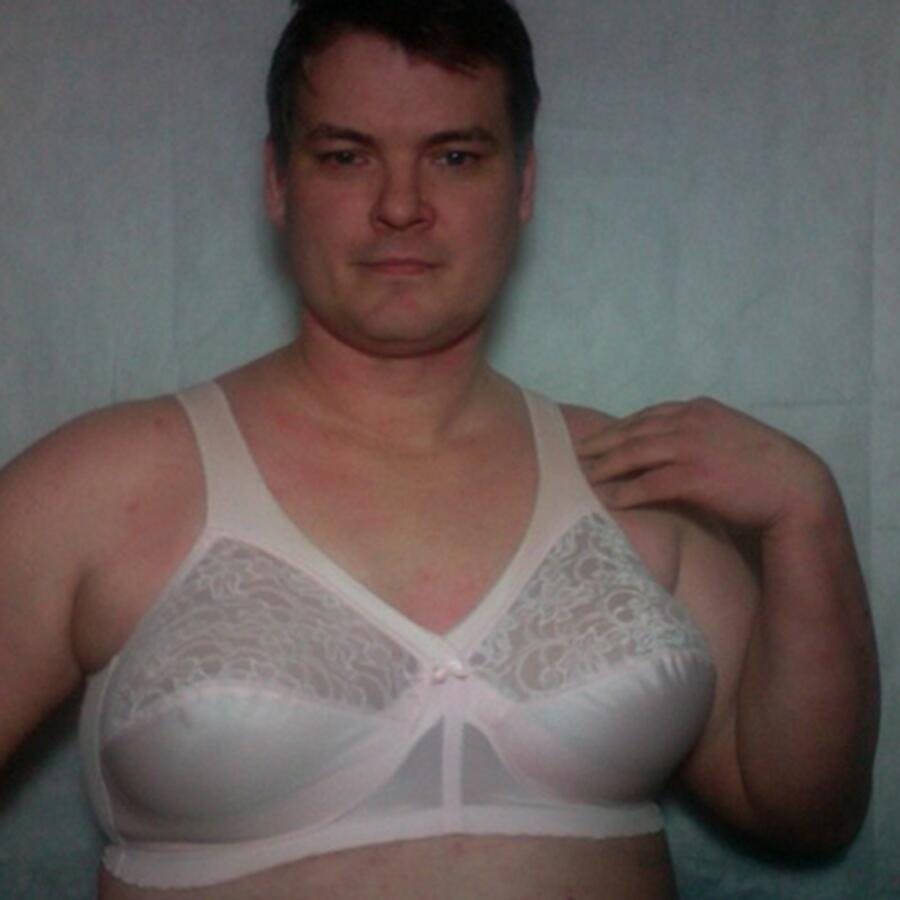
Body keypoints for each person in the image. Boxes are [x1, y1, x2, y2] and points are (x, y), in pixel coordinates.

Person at [0, 0, 879, 897]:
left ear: (523, 186)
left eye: (454, 157)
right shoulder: (103, 486)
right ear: (277, 182)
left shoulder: (634, 478)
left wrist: (808, 515)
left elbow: (803, 811)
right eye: (346, 156)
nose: (400, 207)